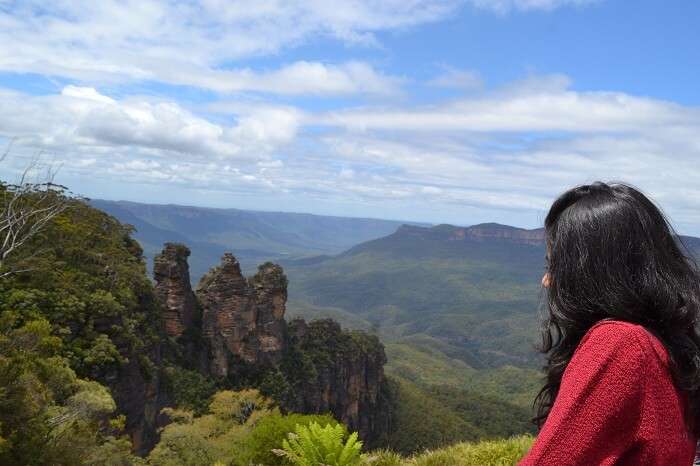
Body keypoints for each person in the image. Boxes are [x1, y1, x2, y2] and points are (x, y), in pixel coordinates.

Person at [518, 182, 700, 466]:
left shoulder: (620, 344)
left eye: (553, 267)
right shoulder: (669, 347)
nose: (547, 280)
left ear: (589, 272)